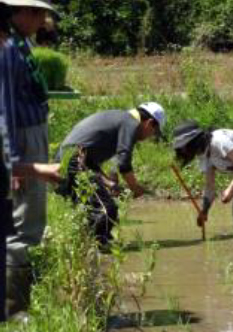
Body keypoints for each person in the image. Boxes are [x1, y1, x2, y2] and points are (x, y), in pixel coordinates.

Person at [1, 0, 62, 319]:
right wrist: (11, 162)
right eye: (36, 12)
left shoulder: (22, 43)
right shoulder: (9, 48)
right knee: (22, 222)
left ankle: (19, 299)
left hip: (32, 132)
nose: (43, 19)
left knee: (32, 217)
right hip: (21, 138)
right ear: (17, 12)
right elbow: (5, 106)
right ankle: (14, 310)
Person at [55, 102, 166, 246]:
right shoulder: (130, 122)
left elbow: (90, 161)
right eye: (154, 132)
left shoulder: (121, 118)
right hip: (74, 161)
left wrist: (108, 182)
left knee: (89, 213)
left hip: (72, 162)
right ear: (149, 123)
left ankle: (89, 247)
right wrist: (135, 188)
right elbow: (124, 162)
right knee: (106, 210)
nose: (151, 137)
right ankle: (98, 248)